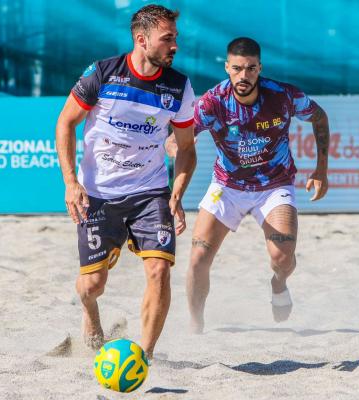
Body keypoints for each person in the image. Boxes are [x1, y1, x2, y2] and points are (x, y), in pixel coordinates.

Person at [55, 4, 196, 359]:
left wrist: (177, 192)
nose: (175, 45)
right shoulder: (103, 73)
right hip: (99, 194)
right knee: (92, 285)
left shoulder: (178, 86)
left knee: (159, 270)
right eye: (167, 38)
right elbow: (65, 123)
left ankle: (144, 357)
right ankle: (90, 313)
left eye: (175, 38)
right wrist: (71, 182)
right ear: (142, 39)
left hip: (150, 192)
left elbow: (186, 148)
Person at [169, 37, 329, 333]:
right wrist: (174, 146)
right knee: (198, 258)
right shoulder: (212, 102)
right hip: (227, 186)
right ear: (227, 67)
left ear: (259, 68)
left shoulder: (283, 96)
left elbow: (319, 117)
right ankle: (195, 325)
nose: (244, 75)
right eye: (237, 68)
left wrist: (321, 170)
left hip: (274, 185)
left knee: (282, 258)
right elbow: (177, 139)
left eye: (251, 69)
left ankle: (278, 283)